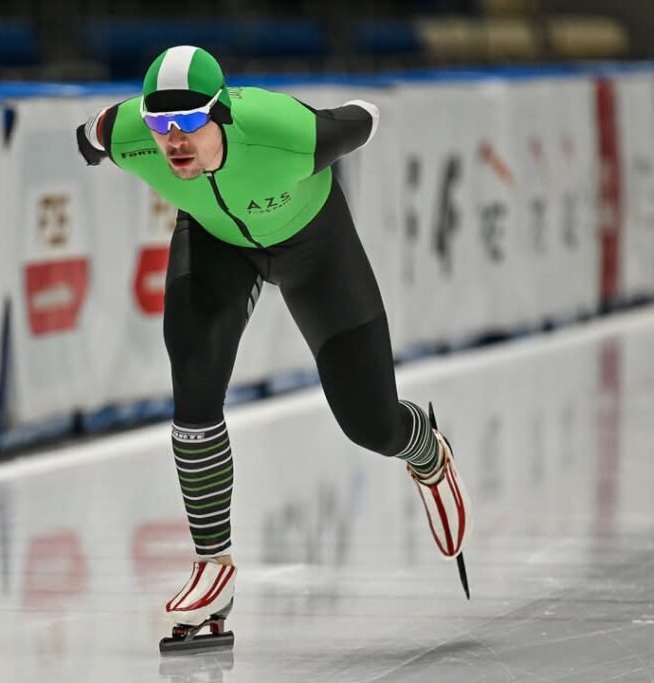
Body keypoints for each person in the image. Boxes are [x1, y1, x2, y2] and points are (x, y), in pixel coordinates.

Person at [75, 45, 472, 648]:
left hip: (315, 248)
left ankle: (423, 447)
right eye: (160, 123)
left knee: (369, 425)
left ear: (221, 112)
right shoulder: (129, 132)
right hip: (215, 244)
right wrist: (94, 137)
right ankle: (213, 568)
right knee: (193, 390)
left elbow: (364, 117)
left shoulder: (285, 132)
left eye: (189, 122)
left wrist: (357, 114)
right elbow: (92, 135)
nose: (173, 140)